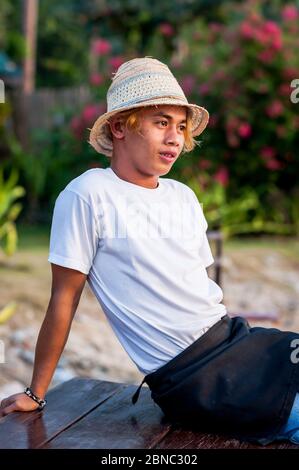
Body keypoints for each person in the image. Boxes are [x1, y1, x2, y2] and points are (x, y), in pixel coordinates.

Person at [0, 57, 299, 446]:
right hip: (191, 376)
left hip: (233, 341)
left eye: (180, 126)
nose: (175, 138)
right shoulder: (89, 195)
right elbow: (64, 298)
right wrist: (37, 392)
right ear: (121, 126)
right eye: (161, 123)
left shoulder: (183, 197)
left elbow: (197, 293)